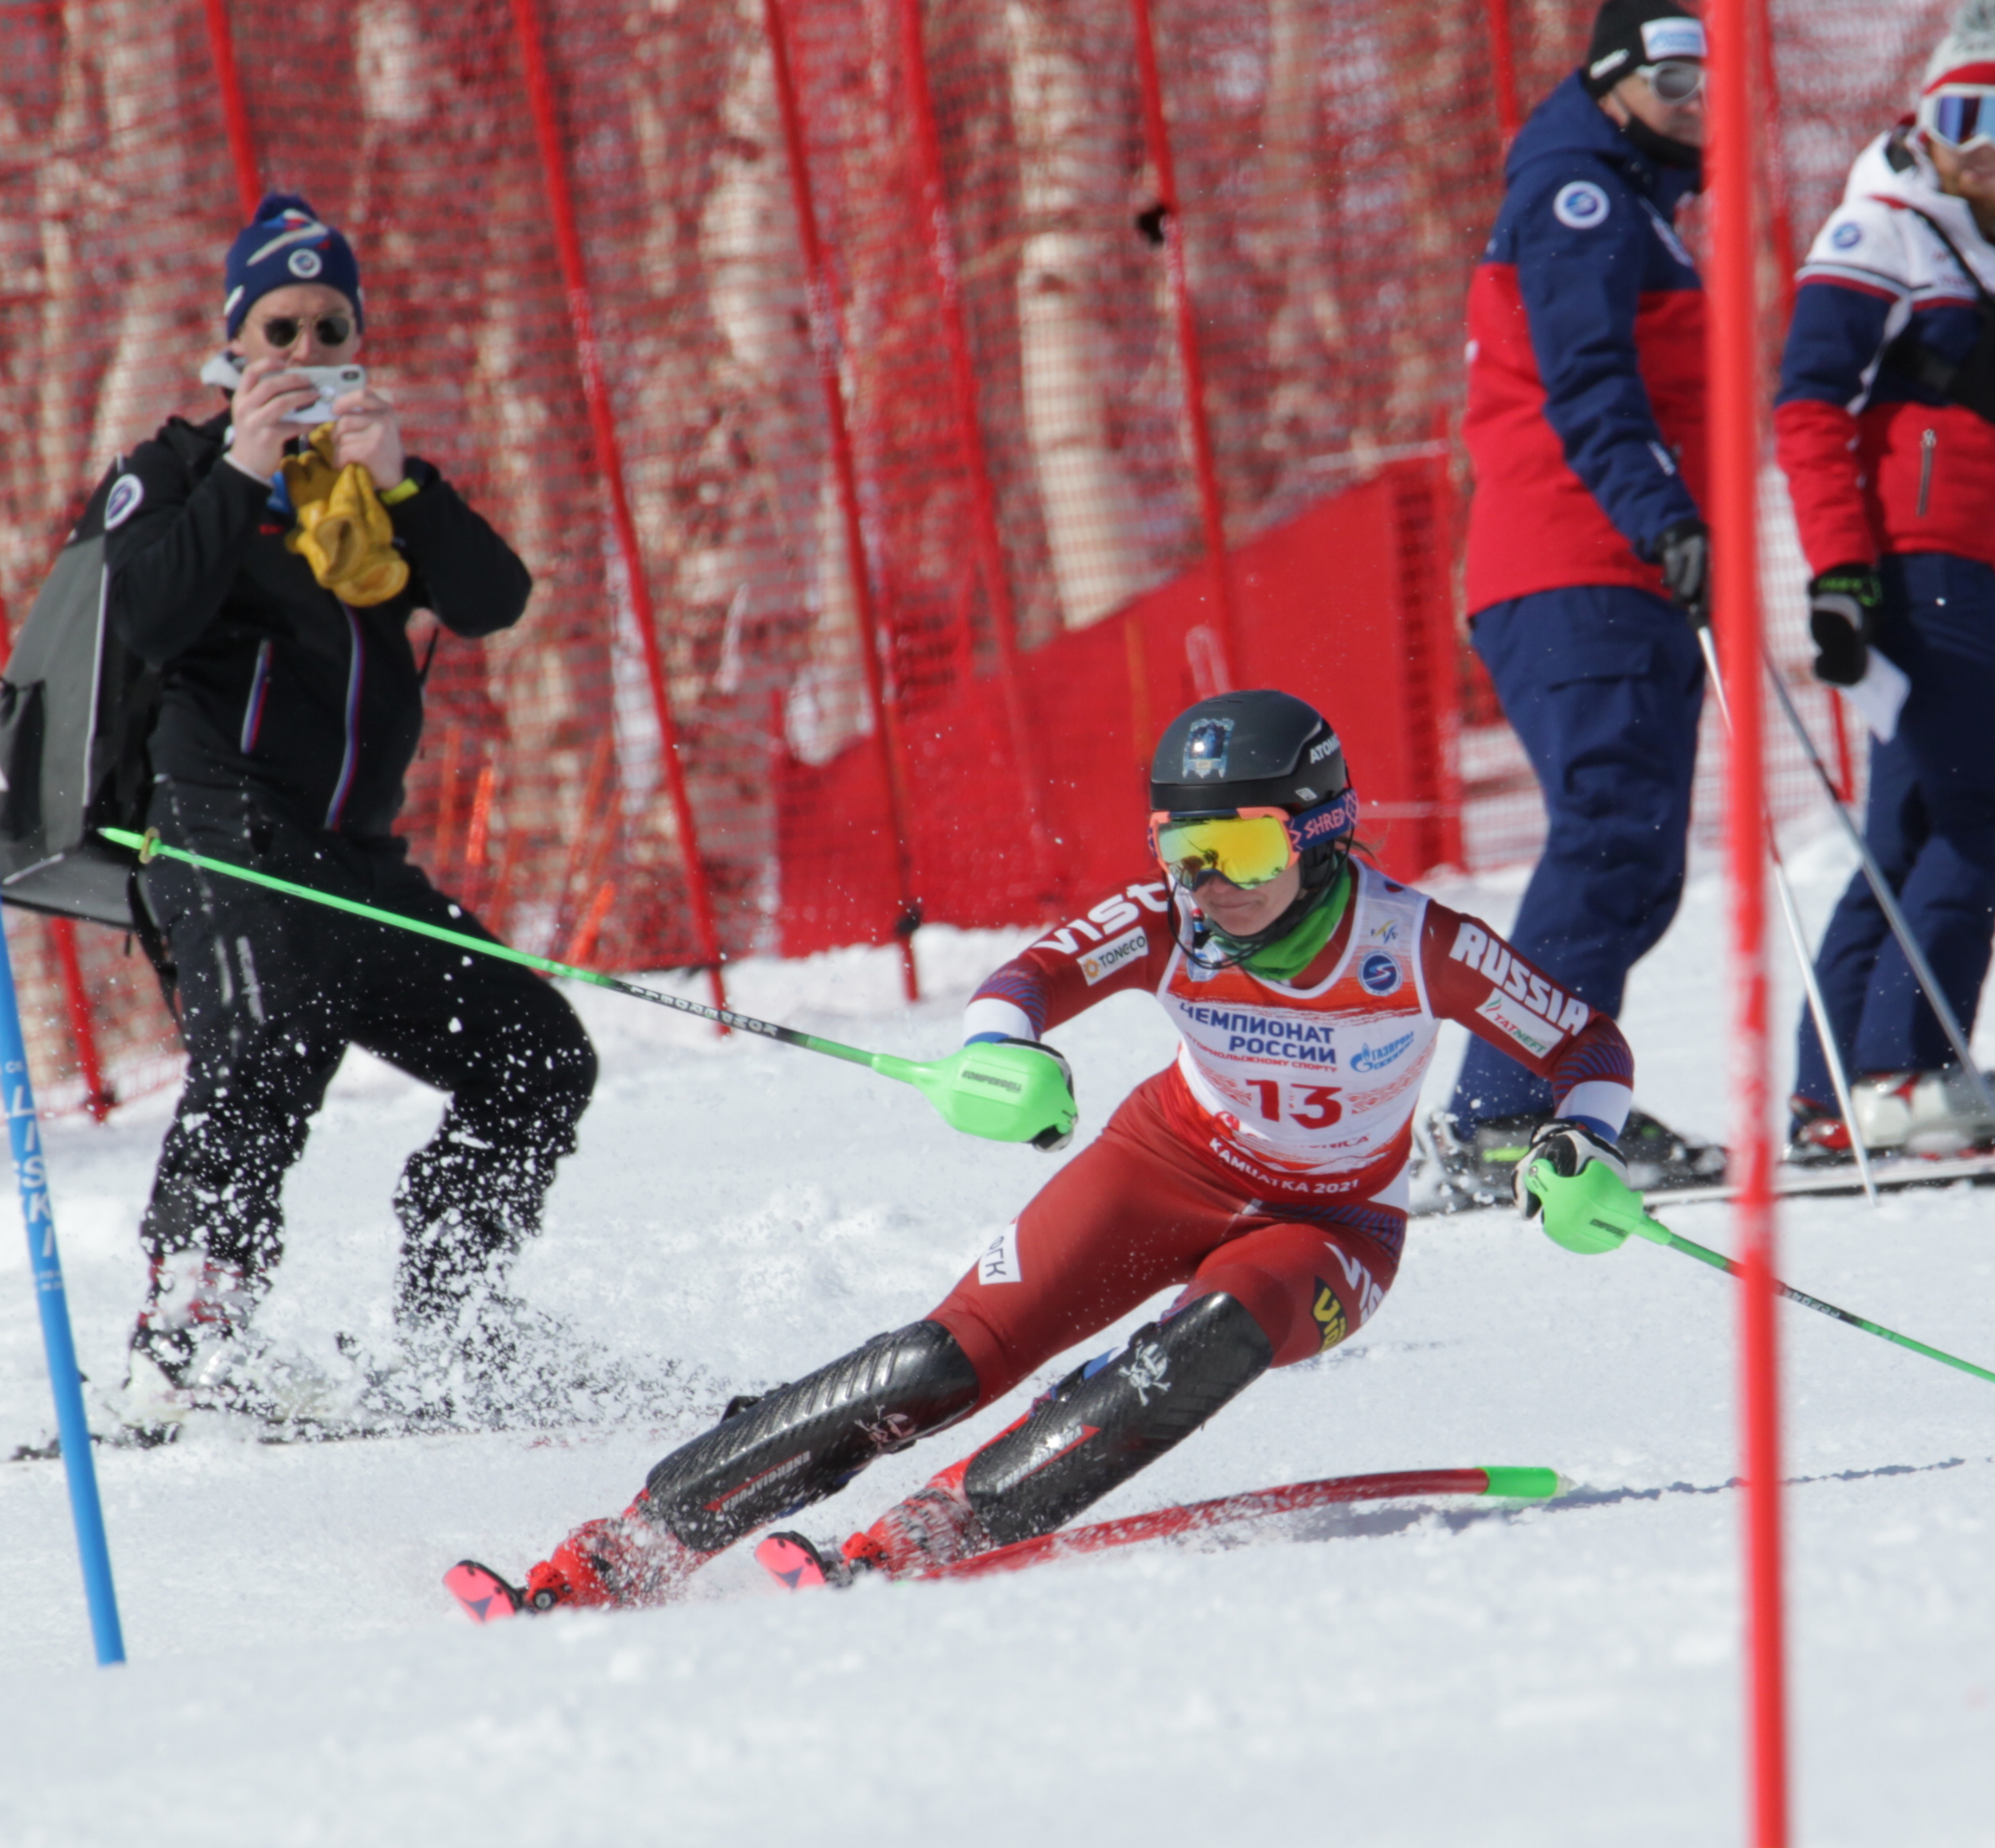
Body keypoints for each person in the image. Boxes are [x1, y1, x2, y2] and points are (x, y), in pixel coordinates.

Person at [453, 691, 1648, 1614]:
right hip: (1166, 1164)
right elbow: (1023, 982)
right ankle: (633, 1543)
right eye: (1185, 851)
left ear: (1321, 837)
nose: (1209, 886)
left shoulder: (1417, 942)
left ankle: (943, 1531)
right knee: (935, 1366)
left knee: (1209, 1343)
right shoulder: (1165, 921)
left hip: (1334, 1227)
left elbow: (1586, 1044)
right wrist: (996, 1053)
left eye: (1242, 851)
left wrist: (1578, 1145)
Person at [105, 194, 594, 1430]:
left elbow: (495, 600)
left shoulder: (375, 495)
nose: (307, 354)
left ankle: (450, 1330)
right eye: (281, 328)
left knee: (534, 1054)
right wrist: (243, 471)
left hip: (355, 863)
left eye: (332, 328)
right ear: (234, 343)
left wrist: (408, 488)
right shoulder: (174, 471)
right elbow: (148, 616)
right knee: (264, 1056)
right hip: (223, 843)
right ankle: (185, 1345)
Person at [1773, 0, 1995, 1154]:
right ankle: (1906, 1072)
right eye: (1962, 113)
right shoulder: (1884, 232)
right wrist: (1841, 578)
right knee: (1984, 822)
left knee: (1914, 838)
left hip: (1982, 578)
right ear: (1923, 116)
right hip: (1915, 571)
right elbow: (1809, 409)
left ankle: (1835, 1102)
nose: (1984, 144)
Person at [1431, 0, 1719, 1203]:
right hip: (1576, 559)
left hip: (1621, 568)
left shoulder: (1629, 195)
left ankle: (1564, 1098)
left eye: (1710, 75)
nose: (1696, 96)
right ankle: (1501, 1112)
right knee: (1608, 837)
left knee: (1638, 860)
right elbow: (1584, 378)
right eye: (1671, 74)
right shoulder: (1579, 195)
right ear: (1609, 81)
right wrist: (1658, 510)